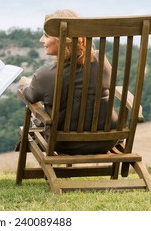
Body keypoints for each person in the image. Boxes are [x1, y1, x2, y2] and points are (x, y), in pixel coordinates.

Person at [18, 9, 118, 155]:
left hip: (65, 143)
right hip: (108, 140)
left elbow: (30, 95)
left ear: (61, 39)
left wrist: (25, 82)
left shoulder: (46, 75)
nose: (41, 40)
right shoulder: (102, 62)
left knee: (38, 115)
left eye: (46, 35)